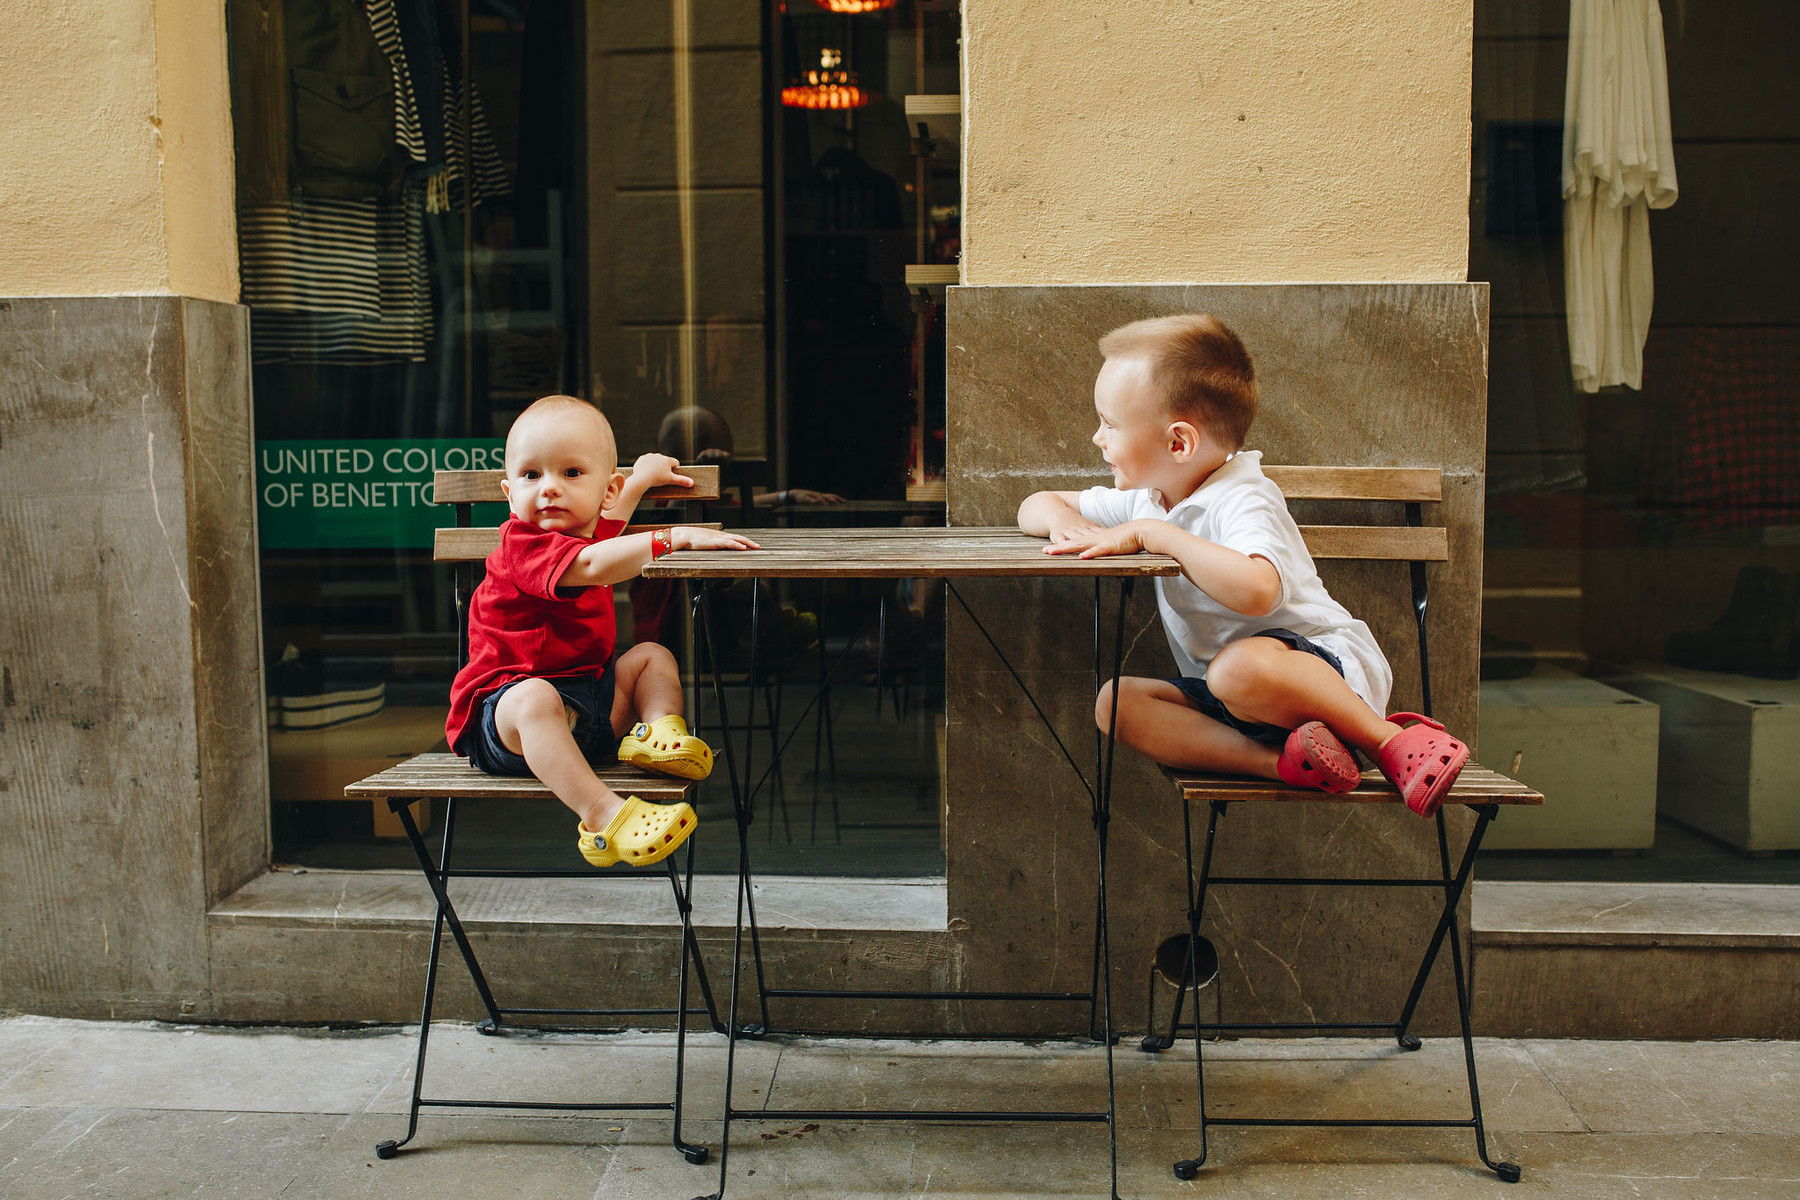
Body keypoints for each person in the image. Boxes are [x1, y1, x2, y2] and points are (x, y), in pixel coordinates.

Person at [1016, 314, 1469, 817]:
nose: (1097, 438)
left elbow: (1258, 591)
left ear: (1178, 444)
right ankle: (1287, 763)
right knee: (1115, 702)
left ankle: (1389, 742)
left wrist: (1157, 536)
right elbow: (1036, 502)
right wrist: (1062, 521)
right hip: (1237, 702)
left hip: (1323, 677)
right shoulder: (1152, 498)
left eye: (1110, 424)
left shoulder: (1242, 496)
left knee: (1235, 669)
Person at [445, 395, 759, 866]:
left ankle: (657, 734)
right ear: (509, 494)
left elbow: (607, 528)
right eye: (532, 475)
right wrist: (673, 537)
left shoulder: (584, 532)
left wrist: (640, 480)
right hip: (506, 720)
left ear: (606, 489)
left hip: (586, 713)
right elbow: (593, 563)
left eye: (571, 473)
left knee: (651, 656)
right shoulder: (522, 543)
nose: (549, 488)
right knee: (535, 698)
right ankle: (602, 813)